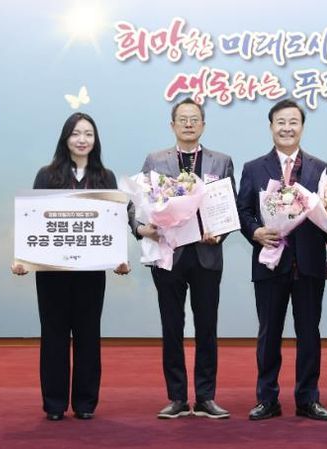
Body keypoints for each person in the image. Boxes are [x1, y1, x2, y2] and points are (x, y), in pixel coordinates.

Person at [11, 112, 130, 421]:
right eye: (76, 133)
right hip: (52, 274)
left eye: (88, 134)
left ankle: (85, 403)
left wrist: (119, 259)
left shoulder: (105, 178)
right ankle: (54, 404)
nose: (82, 139)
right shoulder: (47, 175)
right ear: (65, 139)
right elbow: (32, 221)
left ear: (96, 140)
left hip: (91, 273)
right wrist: (22, 259)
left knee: (89, 335)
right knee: (54, 335)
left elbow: (113, 224)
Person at [129, 98, 234, 419]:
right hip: (169, 255)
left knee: (207, 328)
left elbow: (229, 206)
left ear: (203, 124)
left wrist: (220, 233)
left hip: (206, 255)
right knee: (172, 327)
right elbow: (136, 203)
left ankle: (205, 397)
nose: (189, 124)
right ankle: (176, 397)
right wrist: (141, 229)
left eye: (194, 119)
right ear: (172, 125)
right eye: (182, 119)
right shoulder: (155, 160)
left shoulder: (221, 161)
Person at [236, 99, 327, 421]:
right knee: (269, 334)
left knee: (309, 334)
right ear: (271, 127)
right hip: (269, 262)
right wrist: (255, 231)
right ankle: (267, 399)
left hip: (309, 264)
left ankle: (308, 399)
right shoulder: (253, 168)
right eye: (281, 122)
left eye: (293, 122)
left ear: (302, 127)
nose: (287, 128)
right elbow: (243, 210)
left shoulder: (321, 168)